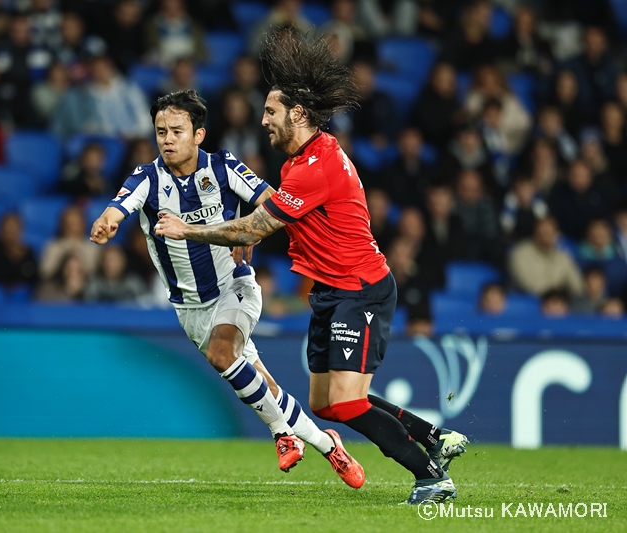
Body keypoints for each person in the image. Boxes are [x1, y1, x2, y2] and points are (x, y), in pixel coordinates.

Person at [155, 30, 467, 505]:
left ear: (298, 114)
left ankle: (430, 477)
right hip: (331, 290)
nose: (263, 120)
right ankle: (434, 437)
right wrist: (245, 234)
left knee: (345, 400)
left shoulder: (313, 168)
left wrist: (188, 230)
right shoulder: (304, 158)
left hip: (360, 289)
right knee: (326, 403)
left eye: (271, 112)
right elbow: (261, 225)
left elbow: (254, 228)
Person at [89, 89, 364, 487]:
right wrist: (107, 222)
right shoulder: (147, 178)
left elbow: (274, 201)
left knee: (222, 354)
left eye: (177, 131)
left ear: (198, 134)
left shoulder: (223, 167)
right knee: (265, 387)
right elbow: (118, 207)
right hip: (190, 309)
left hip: (234, 286)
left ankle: (281, 434)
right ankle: (328, 445)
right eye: (161, 132)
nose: (167, 139)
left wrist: (252, 228)